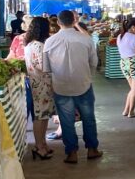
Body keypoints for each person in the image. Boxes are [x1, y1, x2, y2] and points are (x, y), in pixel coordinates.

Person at [43, 10, 100, 164]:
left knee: (66, 120)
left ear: (59, 22)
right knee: (88, 119)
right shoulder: (86, 39)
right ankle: (92, 149)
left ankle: (72, 153)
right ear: (74, 21)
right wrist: (88, 76)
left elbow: (46, 68)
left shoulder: (50, 42)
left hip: (61, 87)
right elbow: (94, 62)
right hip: (84, 84)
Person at [23, 17, 56, 160]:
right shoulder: (39, 46)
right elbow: (43, 67)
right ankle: (39, 146)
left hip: (39, 84)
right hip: (41, 85)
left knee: (44, 116)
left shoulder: (30, 44)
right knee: (40, 116)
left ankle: (42, 144)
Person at [117, 17, 135, 118]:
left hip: (124, 63)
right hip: (134, 63)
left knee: (132, 89)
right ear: (133, 27)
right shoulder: (134, 37)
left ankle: (126, 110)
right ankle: (131, 112)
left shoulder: (120, 36)